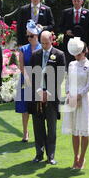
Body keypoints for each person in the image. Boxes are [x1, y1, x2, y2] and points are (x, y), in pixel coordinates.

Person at [29, 30, 66, 165]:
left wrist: (48, 92)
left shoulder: (59, 55)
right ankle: (39, 154)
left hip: (51, 96)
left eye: (46, 43)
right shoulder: (35, 55)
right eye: (42, 43)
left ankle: (51, 155)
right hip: (37, 96)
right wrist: (39, 91)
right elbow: (32, 76)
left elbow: (60, 77)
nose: (44, 45)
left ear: (51, 40)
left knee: (51, 127)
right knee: (38, 127)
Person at [62, 37, 89, 169]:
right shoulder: (71, 65)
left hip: (83, 99)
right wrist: (68, 94)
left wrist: (79, 95)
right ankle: (75, 156)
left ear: (84, 52)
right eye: (75, 54)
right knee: (74, 130)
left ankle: (82, 157)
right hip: (72, 98)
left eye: (79, 53)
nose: (76, 56)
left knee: (84, 130)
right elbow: (68, 80)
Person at [15, 20, 42, 142]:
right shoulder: (23, 49)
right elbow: (21, 66)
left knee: (38, 107)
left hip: (39, 80)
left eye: (31, 36)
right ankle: (25, 132)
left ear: (36, 36)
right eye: (28, 36)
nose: (29, 38)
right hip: (26, 80)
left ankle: (39, 132)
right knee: (25, 108)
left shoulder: (42, 47)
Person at [59, 0, 89, 67]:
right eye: (74, 1)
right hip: (70, 44)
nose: (76, 3)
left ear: (82, 2)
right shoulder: (66, 12)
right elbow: (60, 27)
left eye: (78, 1)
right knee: (70, 66)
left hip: (83, 43)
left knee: (83, 66)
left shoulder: (88, 13)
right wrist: (66, 31)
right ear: (72, 1)